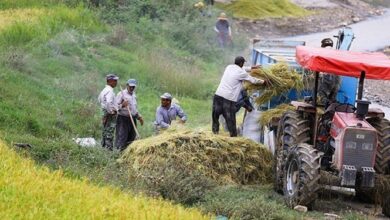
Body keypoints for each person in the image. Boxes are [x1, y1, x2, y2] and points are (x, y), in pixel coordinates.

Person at [212, 56, 265, 137]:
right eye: (243, 63)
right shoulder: (241, 73)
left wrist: (252, 68)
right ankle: (233, 138)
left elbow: (241, 69)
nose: (243, 64)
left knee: (215, 116)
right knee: (231, 120)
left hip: (218, 95)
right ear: (241, 63)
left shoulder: (229, 67)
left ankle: (214, 134)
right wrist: (263, 82)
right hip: (228, 99)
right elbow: (253, 80)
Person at [115, 79, 144, 151]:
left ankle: (127, 153)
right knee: (122, 137)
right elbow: (114, 107)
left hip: (132, 119)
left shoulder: (134, 95)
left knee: (131, 138)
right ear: (127, 85)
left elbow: (134, 108)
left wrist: (138, 116)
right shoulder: (121, 94)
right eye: (130, 86)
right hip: (123, 119)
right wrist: (122, 105)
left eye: (133, 87)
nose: (131, 88)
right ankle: (118, 153)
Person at [318, 38, 341, 108]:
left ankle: (324, 109)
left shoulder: (322, 52)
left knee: (323, 94)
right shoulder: (336, 52)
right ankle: (332, 108)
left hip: (326, 76)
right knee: (333, 96)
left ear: (323, 45)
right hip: (336, 78)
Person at [98, 73, 119, 150]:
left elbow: (99, 99)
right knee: (109, 132)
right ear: (109, 81)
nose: (116, 82)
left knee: (105, 131)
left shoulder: (104, 90)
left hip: (104, 112)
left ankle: (103, 148)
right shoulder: (109, 91)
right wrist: (111, 111)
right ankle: (108, 150)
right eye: (115, 81)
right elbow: (108, 102)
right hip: (109, 114)